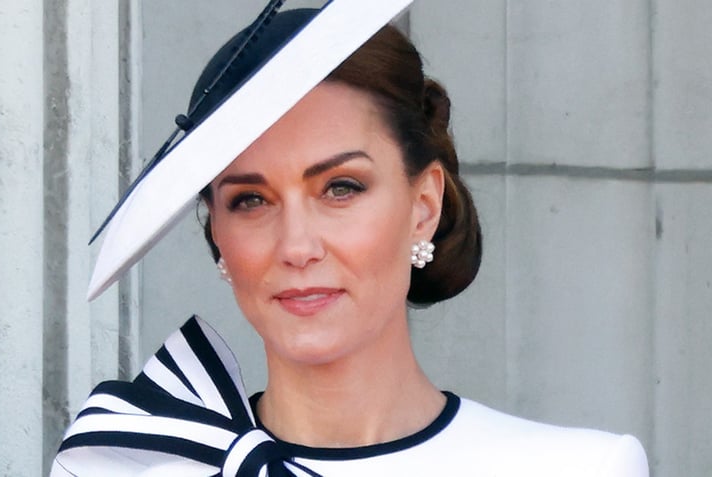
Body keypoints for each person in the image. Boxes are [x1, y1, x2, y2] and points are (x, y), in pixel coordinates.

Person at [52, 5, 648, 476]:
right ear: (217, 236)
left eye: (340, 187)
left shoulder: (578, 470)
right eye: (250, 200)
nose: (297, 245)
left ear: (423, 206)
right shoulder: (131, 466)